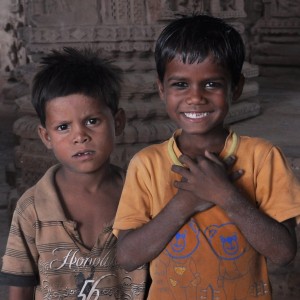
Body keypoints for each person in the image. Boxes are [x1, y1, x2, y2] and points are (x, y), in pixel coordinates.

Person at [113, 14, 300, 300]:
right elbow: (127, 256)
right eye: (180, 85)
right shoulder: (147, 163)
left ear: (235, 88)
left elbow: (284, 252)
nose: (196, 97)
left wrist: (227, 196)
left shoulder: (263, 157)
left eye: (211, 84)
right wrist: (184, 203)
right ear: (161, 89)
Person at [0, 47, 148, 300]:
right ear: (46, 137)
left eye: (92, 121)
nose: (80, 136)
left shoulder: (140, 196)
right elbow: (20, 287)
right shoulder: (31, 208)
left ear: (118, 122)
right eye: (63, 127)